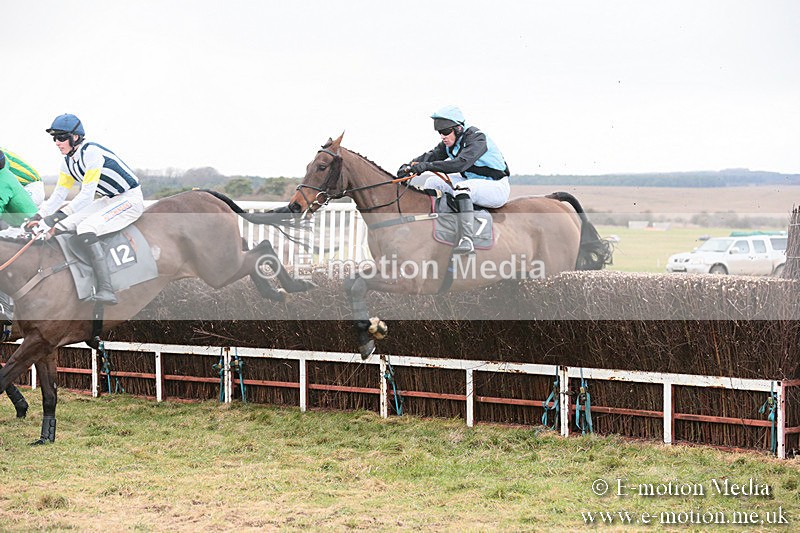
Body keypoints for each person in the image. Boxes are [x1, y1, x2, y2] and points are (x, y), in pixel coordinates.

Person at [26, 113, 144, 305]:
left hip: (130, 199)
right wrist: (39, 216)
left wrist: (55, 217)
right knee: (63, 226)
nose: (57, 142)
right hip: (108, 200)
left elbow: (87, 195)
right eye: (54, 138)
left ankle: (107, 289)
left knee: (86, 228)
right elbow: (59, 195)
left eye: (61, 137)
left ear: (75, 137)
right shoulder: (67, 162)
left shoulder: (91, 152)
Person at [397, 105, 510, 254]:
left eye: (445, 132)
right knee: (431, 182)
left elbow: (459, 164)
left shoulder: (477, 138)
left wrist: (426, 166)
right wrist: (409, 166)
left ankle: (467, 239)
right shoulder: (450, 142)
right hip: (472, 182)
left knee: (462, 188)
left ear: (458, 129)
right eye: (440, 132)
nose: (442, 136)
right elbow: (431, 156)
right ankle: (436, 224)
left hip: (496, 187)